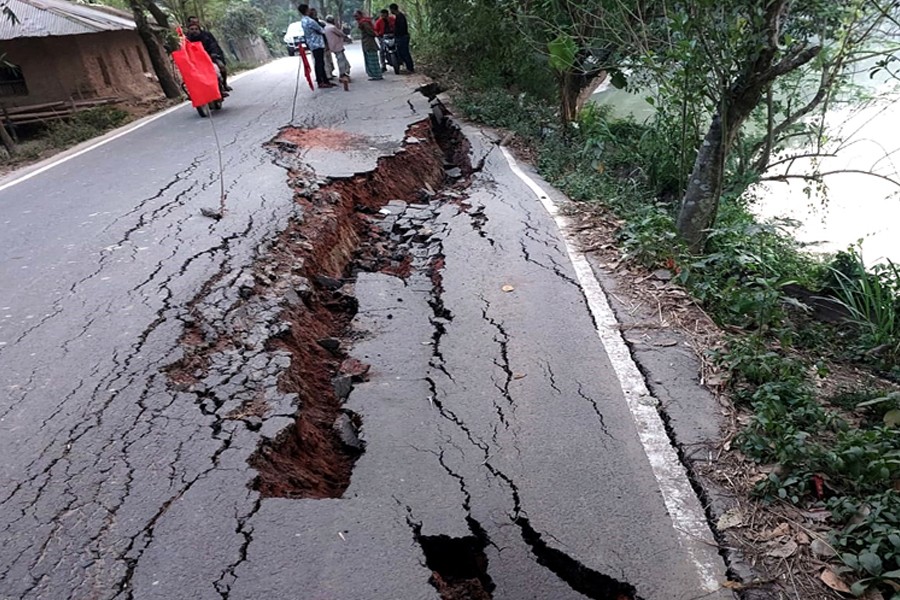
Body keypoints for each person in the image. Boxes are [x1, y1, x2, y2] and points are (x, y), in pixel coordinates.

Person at [186, 16, 232, 90]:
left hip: (210, 56)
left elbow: (214, 44)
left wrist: (214, 53)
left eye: (196, 22)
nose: (194, 29)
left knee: (221, 67)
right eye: (192, 22)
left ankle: (224, 84)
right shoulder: (186, 38)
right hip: (195, 60)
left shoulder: (207, 34)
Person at [298, 3, 335, 88]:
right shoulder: (310, 21)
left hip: (312, 43)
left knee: (319, 62)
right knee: (320, 63)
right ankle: (321, 81)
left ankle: (324, 80)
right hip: (317, 43)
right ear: (306, 10)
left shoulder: (303, 20)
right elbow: (321, 30)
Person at [353, 10, 381, 80]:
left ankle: (376, 75)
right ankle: (375, 74)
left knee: (372, 59)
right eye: (354, 16)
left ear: (360, 15)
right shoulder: (363, 22)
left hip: (369, 43)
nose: (355, 18)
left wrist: (375, 34)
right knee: (371, 58)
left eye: (356, 16)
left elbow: (370, 31)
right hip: (367, 42)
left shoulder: (364, 22)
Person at [309, 8, 334, 81]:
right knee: (320, 61)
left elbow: (324, 33)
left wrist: (327, 43)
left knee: (326, 60)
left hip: (322, 43)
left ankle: (327, 74)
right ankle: (323, 76)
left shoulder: (320, 23)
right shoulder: (311, 23)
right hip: (316, 45)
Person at [324, 15, 352, 80]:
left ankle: (346, 71)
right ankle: (342, 74)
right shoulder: (332, 27)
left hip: (332, 46)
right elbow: (341, 34)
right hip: (337, 46)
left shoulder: (326, 27)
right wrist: (347, 38)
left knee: (342, 59)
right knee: (341, 60)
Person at [389, 3, 414, 73]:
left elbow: (401, 28)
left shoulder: (400, 17)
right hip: (401, 37)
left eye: (391, 10)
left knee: (404, 52)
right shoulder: (398, 16)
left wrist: (396, 33)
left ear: (393, 9)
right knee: (401, 52)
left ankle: (410, 68)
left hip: (402, 37)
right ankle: (408, 67)